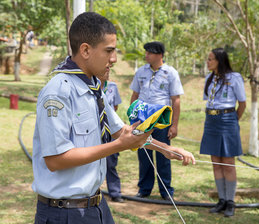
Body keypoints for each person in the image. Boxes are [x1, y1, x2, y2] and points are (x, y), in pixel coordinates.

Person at [32, 12, 195, 224]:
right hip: (64, 213)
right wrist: (118, 146)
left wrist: (166, 149)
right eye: (109, 51)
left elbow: (121, 131)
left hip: (95, 207)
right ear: (85, 50)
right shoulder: (59, 92)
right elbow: (55, 159)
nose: (114, 59)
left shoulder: (93, 88)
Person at [130, 41, 184, 200]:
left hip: (162, 120)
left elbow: (176, 100)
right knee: (144, 154)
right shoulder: (140, 72)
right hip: (143, 120)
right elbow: (135, 95)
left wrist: (174, 125)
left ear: (159, 55)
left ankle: (166, 190)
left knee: (164, 155)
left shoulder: (171, 73)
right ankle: (144, 189)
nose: (146, 55)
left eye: (150, 53)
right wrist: (133, 117)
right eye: (146, 52)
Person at [200, 48, 246, 217]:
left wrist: (233, 121)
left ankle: (230, 201)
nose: (208, 62)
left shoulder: (234, 78)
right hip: (211, 121)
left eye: (211, 59)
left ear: (220, 60)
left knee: (228, 161)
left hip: (227, 120)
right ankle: (221, 200)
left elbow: (242, 104)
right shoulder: (210, 78)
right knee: (216, 161)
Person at [100, 71, 124, 203]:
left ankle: (115, 192)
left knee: (111, 162)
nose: (107, 70)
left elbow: (115, 107)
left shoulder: (112, 87)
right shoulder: (91, 87)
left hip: (111, 129)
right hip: (95, 130)